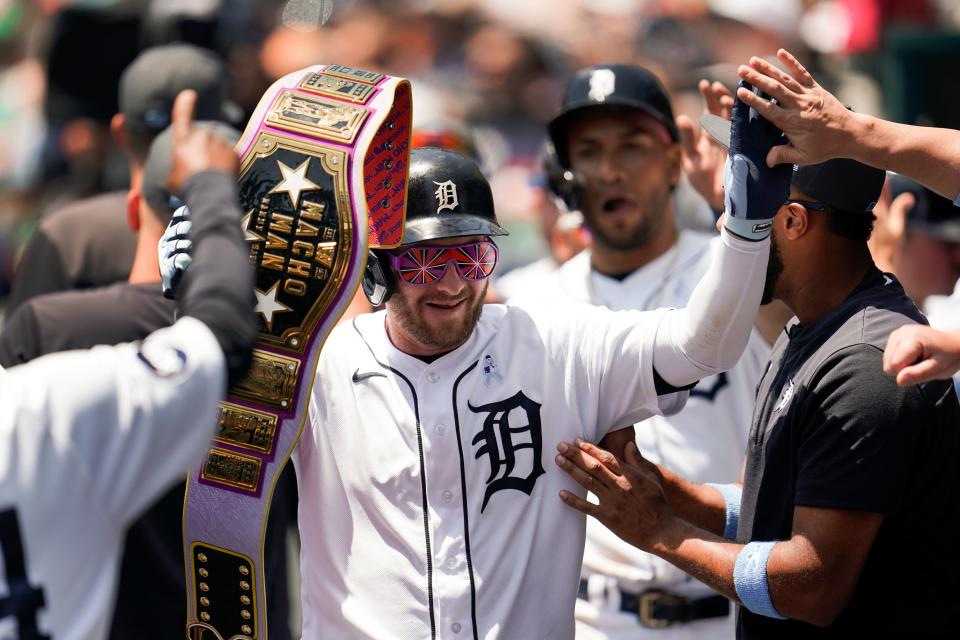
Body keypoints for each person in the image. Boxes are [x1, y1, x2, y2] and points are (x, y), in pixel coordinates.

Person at [291, 84, 789, 636]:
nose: (454, 284)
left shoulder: (552, 340)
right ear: (377, 268)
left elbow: (705, 346)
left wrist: (746, 225)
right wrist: (197, 299)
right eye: (426, 262)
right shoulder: (316, 368)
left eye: (471, 257)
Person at [556, 147, 960, 637]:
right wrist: (658, 488)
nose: (727, 222)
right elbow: (763, 510)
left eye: (741, 204)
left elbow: (812, 587)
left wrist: (661, 533)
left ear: (792, 221)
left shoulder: (866, 363)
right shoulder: (812, 328)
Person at [508, 64, 777, 637]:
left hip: (725, 608)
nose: (610, 170)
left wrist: (744, 209)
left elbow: (797, 302)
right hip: (588, 618)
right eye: (589, 150)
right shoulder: (527, 305)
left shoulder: (735, 273)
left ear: (674, 159)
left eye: (632, 146)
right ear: (566, 172)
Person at [0, 89, 255, 640]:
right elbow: (220, 337)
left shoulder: (47, 336)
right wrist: (211, 191)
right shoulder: (36, 408)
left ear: (137, 203)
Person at [733, 48, 960, 385]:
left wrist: (853, 132)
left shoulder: (873, 354)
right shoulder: (802, 327)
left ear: (795, 220)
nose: (957, 254)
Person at [5, 43, 235, 313]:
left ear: (120, 132)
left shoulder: (67, 235)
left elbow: (20, 349)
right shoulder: (243, 229)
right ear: (223, 133)